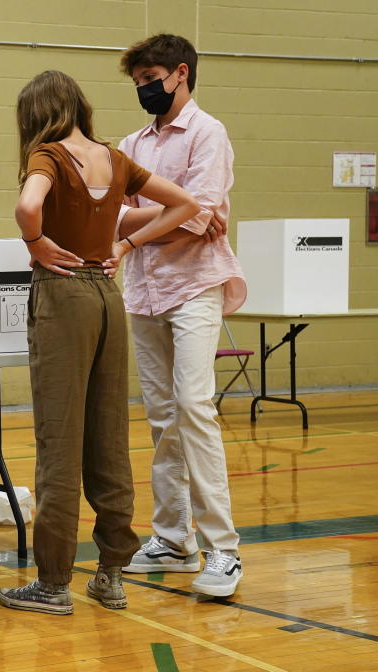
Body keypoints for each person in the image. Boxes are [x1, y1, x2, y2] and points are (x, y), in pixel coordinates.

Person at [0, 70, 200, 615]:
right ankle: (111, 574)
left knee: (57, 444)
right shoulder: (113, 158)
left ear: (34, 113)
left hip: (63, 298)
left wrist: (36, 243)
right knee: (108, 438)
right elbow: (184, 205)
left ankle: (53, 583)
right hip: (109, 296)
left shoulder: (48, 155)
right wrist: (127, 243)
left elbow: (27, 207)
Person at [117, 34, 247, 598]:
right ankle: (173, 539)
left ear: (180, 74)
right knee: (161, 416)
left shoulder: (207, 133)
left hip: (195, 285)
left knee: (193, 406)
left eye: (151, 77)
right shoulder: (130, 143)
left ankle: (224, 550)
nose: (144, 88)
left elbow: (198, 220)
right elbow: (110, 212)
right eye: (137, 80)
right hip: (144, 291)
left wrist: (145, 223)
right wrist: (174, 209)